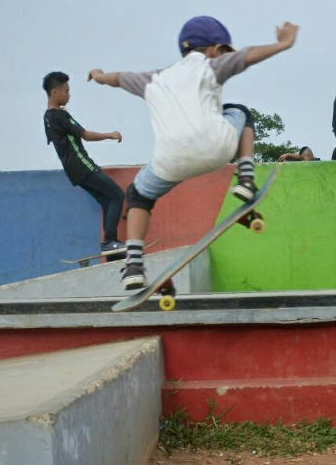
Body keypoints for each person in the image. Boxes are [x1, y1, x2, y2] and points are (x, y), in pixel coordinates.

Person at [89, 15, 299, 289]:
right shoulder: (211, 66)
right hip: (217, 148)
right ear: (214, 48)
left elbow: (117, 78)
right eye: (223, 50)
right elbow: (248, 56)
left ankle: (133, 265)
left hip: (171, 161)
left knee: (138, 195)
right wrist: (283, 43)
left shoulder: (152, 79)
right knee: (241, 113)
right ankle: (245, 179)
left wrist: (99, 76)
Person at [43, 71, 126, 259]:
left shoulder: (48, 117)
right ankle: (109, 242)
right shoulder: (60, 116)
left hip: (72, 171)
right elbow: (85, 135)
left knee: (106, 200)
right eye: (66, 91)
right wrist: (110, 135)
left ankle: (110, 246)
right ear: (55, 93)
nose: (69, 95)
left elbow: (56, 137)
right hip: (82, 165)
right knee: (117, 195)